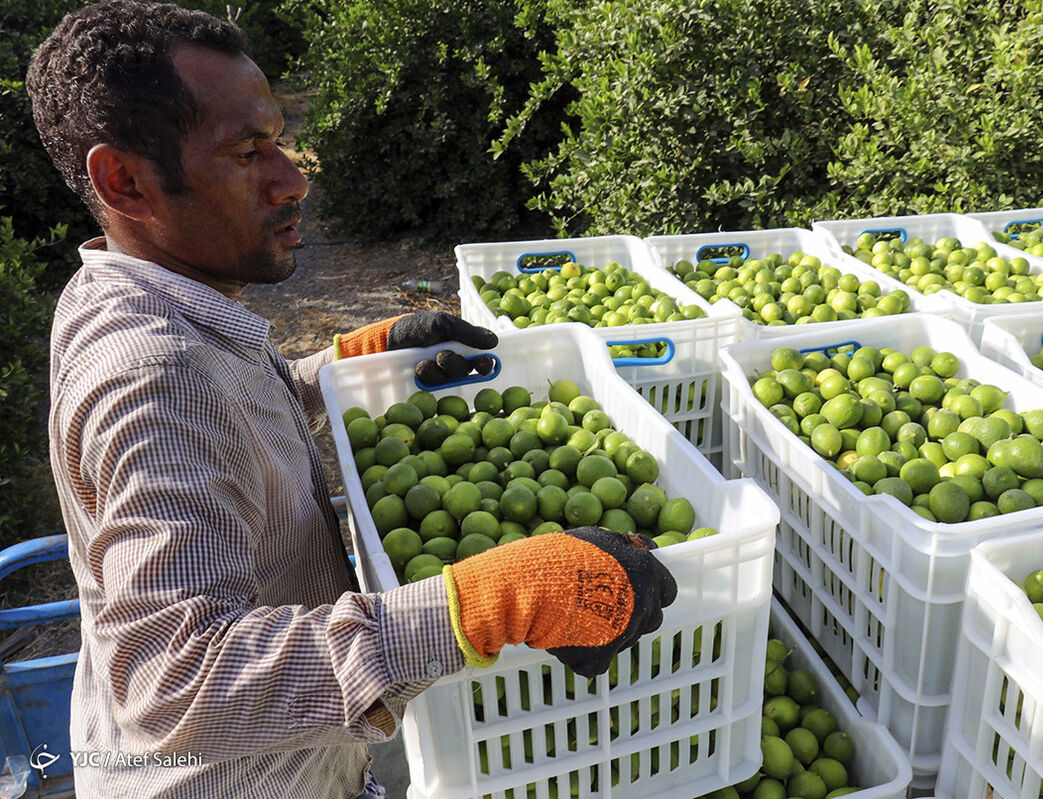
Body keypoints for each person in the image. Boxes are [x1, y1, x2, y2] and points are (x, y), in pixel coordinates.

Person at [27, 2, 677, 797]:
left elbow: (225, 432)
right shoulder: (151, 372)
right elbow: (175, 681)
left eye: (279, 140)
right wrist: (479, 606)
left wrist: (338, 366)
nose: (293, 179)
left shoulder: (132, 299)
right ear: (124, 180)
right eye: (247, 152)